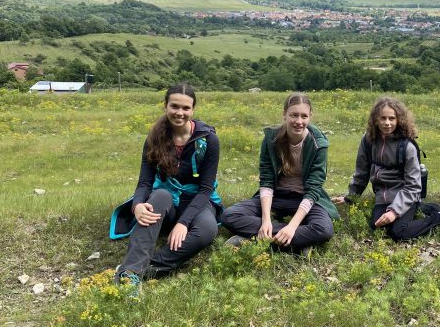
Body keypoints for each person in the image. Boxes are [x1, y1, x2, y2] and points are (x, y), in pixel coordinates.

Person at [114, 83, 221, 291]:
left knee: (207, 230)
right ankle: (131, 272)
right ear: (165, 106)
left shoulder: (209, 140)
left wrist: (183, 223)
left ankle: (145, 269)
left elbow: (206, 189)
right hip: (166, 200)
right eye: (174, 106)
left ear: (193, 110)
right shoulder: (154, 138)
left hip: (196, 200)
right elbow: (145, 182)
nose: (179, 113)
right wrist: (137, 206)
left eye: (185, 108)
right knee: (160, 195)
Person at [333, 97, 440, 242]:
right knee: (377, 227)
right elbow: (361, 172)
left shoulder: (407, 147)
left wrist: (394, 211)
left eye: (391, 118)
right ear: (375, 119)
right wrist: (350, 197)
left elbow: (413, 186)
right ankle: (425, 208)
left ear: (399, 120)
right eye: (383, 118)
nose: (387, 123)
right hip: (382, 195)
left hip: (405, 194)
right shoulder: (368, 140)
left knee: (398, 233)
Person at [221, 92, 338, 253]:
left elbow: (313, 189)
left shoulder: (319, 143)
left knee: (324, 230)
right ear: (284, 114)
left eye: (304, 116)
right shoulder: (272, 139)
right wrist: (266, 220)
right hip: (277, 196)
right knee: (229, 215)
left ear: (310, 116)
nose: (299, 121)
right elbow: (267, 180)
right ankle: (297, 243)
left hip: (305, 198)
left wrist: (292, 226)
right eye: (294, 115)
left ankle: (251, 241)